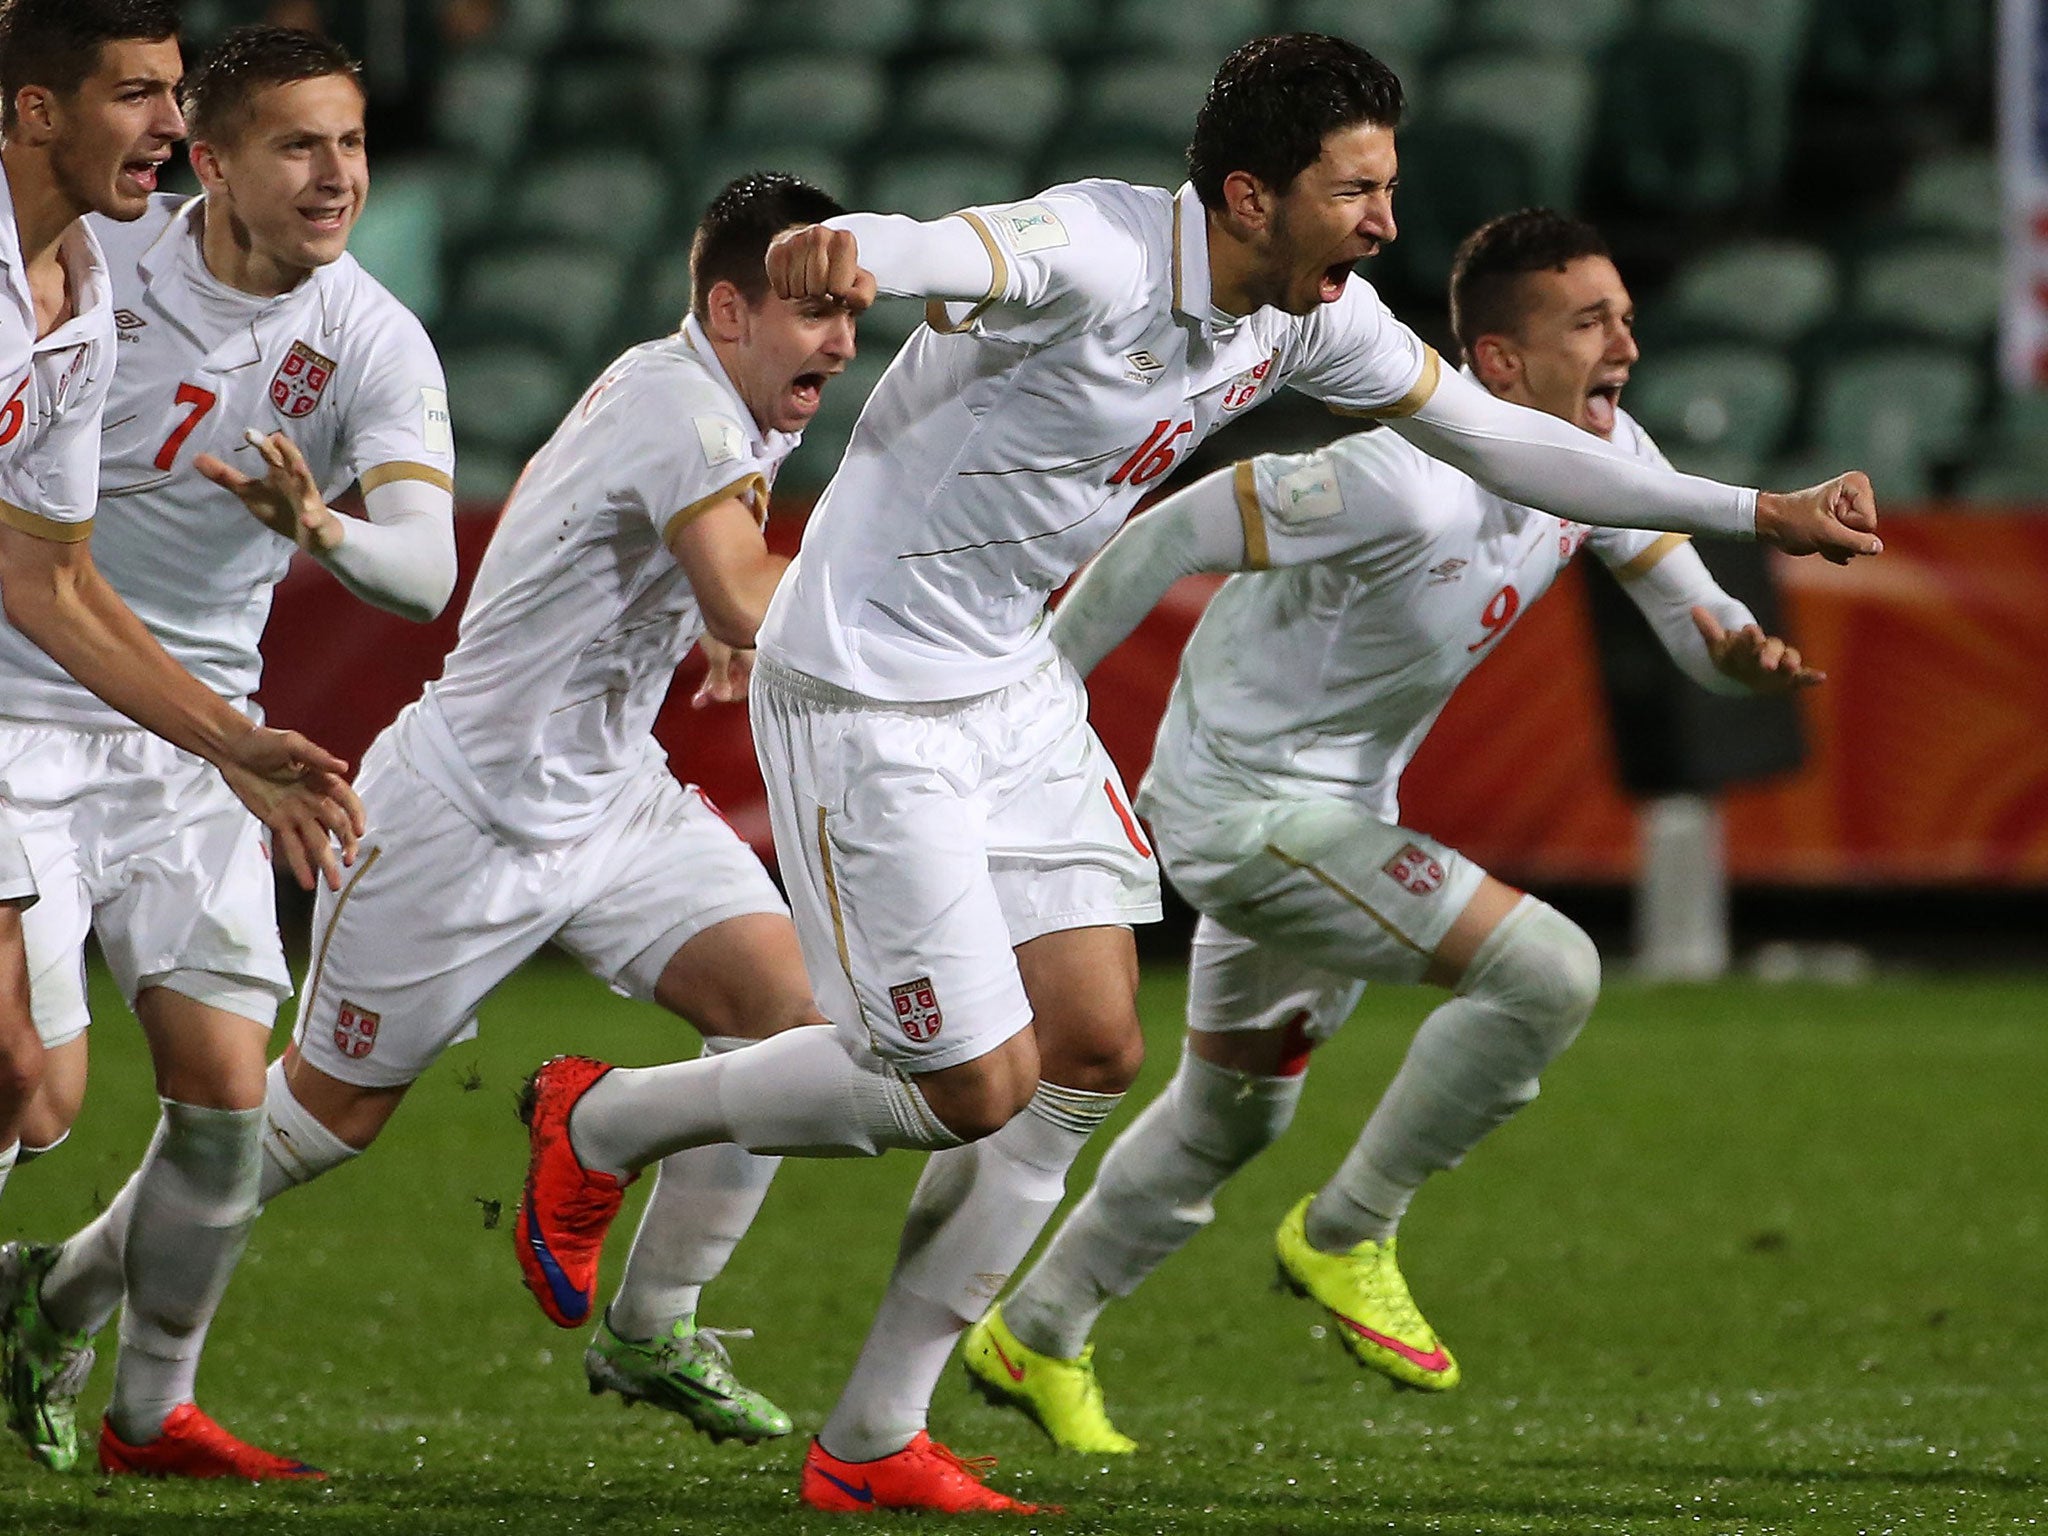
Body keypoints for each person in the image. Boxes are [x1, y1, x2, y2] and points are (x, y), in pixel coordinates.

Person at [514, 34, 1877, 1515]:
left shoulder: (1314, 324)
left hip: (1009, 687)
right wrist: (857, 251)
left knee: (1092, 1053)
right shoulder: (1099, 246)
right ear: (1248, 192)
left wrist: (1757, 508)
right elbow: (953, 246)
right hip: (867, 688)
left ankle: (872, 1438)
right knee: (966, 1089)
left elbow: (1508, 440)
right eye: (1356, 192)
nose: (1385, 225)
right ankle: (601, 1119)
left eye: (1388, 190)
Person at [959, 207, 1828, 1451]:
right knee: (1546, 970)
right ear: (1497, 364)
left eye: (1625, 317)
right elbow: (1163, 532)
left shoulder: (1599, 456)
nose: (1624, 343)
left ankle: (1032, 1334)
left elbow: (1692, 621)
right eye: (1590, 322)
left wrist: (1736, 659)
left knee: (1230, 1114)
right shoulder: (1395, 477)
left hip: (1338, 821)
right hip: (1241, 815)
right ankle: (1347, 1231)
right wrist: (1024, 709)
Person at [237, 172, 848, 1457]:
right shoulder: (687, 409)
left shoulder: (729, 392)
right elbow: (745, 593)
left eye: (852, 313)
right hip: (461, 810)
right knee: (318, 1124)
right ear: (729, 309)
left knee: (790, 1017)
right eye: (815, 314)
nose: (842, 342)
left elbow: (709, 569)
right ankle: (64, 1281)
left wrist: (714, 609)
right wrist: (796, 609)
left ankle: (652, 1324)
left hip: (611, 803)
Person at [0, 24, 447, 1481]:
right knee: (33, 1090)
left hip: (199, 737)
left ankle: (150, 1412)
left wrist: (321, 530)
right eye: (298, 146)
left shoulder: (370, 338)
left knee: (224, 1103)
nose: (336, 179)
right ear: (213, 160)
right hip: (23, 705)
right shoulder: (89, 260)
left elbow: (426, 573)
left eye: (355, 145)